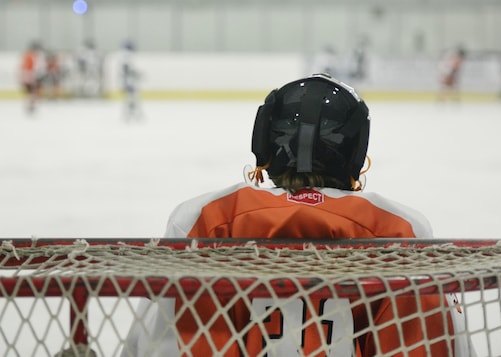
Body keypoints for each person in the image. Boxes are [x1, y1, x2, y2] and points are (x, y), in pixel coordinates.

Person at [120, 73, 475, 357]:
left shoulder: (207, 218)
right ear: (355, 152)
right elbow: (436, 344)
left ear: (265, 146)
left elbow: (155, 343)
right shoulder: (399, 229)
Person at [19, 40, 46, 114]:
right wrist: (38, 75)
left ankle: (30, 105)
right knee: (32, 92)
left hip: (27, 76)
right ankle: (31, 106)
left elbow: (23, 67)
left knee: (30, 92)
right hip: (31, 76)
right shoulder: (34, 55)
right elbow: (36, 67)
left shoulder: (27, 54)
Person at [120, 39, 142, 120]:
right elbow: (127, 68)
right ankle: (131, 113)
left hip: (128, 79)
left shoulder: (125, 55)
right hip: (129, 80)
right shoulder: (128, 55)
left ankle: (129, 113)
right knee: (132, 96)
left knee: (130, 97)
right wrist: (135, 74)